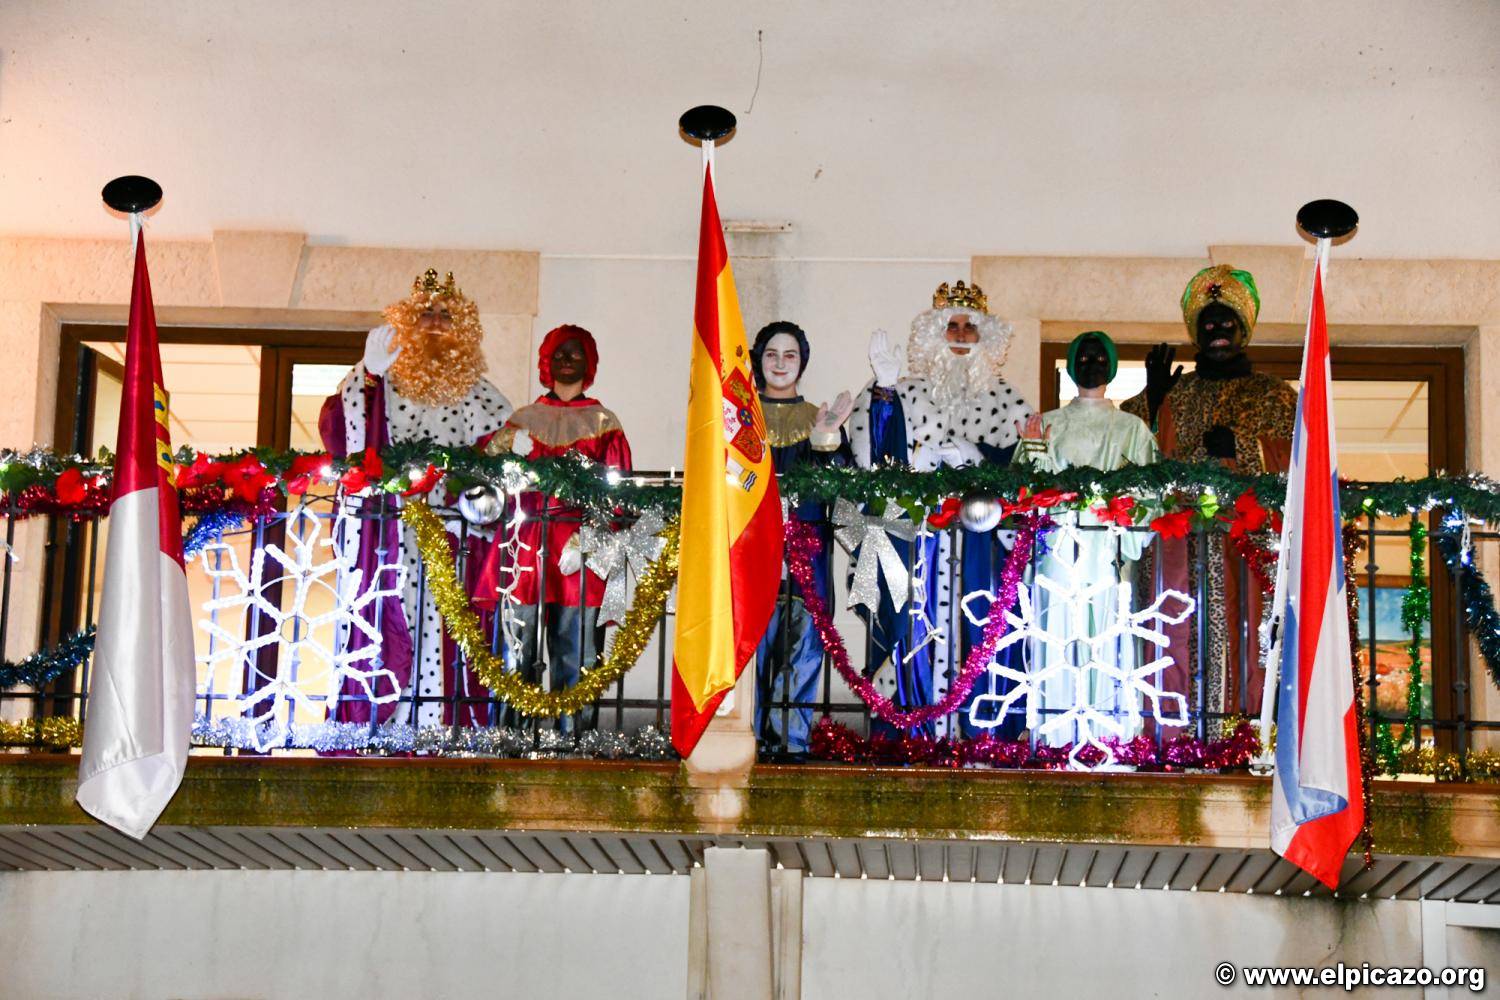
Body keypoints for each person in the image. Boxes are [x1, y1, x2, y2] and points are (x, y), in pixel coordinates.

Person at [319, 269, 514, 727]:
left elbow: (499, 455)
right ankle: (381, 721)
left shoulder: (479, 393)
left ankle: (444, 723)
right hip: (390, 534)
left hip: (453, 538)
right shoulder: (380, 380)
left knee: (448, 630)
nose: (436, 323)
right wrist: (368, 375)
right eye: (426, 313)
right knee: (388, 620)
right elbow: (336, 430)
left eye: (446, 315)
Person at [846, 280, 1034, 737]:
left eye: (971, 327)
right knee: (913, 624)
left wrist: (976, 458)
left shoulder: (1007, 400)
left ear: (986, 337)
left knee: (980, 626)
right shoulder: (904, 389)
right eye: (952, 326)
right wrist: (884, 395)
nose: (962, 335)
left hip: (981, 545)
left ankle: (980, 732)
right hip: (918, 541)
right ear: (934, 333)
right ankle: (912, 729)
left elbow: (1026, 471)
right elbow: (871, 455)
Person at [1121, 265, 1297, 719]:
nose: (1217, 331)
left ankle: (1246, 731)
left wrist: (1244, 448)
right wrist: (1154, 398)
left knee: (1250, 638)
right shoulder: (1176, 392)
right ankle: (1175, 734)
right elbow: (1129, 452)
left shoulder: (1274, 395)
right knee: (1176, 637)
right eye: (1208, 324)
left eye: (1226, 322)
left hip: (1250, 547)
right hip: (1179, 549)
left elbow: (1301, 462)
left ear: (1242, 331)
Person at [475, 324, 631, 733]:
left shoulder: (605, 421)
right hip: (524, 543)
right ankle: (511, 738)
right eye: (558, 353)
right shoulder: (523, 419)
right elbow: (492, 474)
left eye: (574, 353)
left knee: (577, 648)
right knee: (517, 646)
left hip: (579, 546)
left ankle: (573, 740)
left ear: (588, 362)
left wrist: (592, 537)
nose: (566, 360)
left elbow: (617, 491)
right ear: (546, 361)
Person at [1010, 331, 1159, 745]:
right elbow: (1022, 492)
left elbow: (1151, 491)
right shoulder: (1047, 423)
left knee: (1107, 626)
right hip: (1057, 546)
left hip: (1107, 546)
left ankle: (1109, 732)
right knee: (1055, 626)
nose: (1092, 363)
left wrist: (1116, 512)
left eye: (1099, 357)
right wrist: (1036, 454)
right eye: (1085, 356)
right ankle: (1054, 733)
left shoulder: (1132, 429)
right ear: (1072, 365)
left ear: (1111, 366)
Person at [749, 321, 852, 754]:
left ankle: (790, 742)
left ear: (801, 362)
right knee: (752, 648)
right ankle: (749, 738)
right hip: (752, 551)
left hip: (807, 552)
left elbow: (841, 484)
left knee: (805, 646)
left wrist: (829, 440)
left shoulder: (816, 416)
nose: (780, 363)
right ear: (760, 360)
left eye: (789, 355)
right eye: (772, 354)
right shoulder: (741, 417)